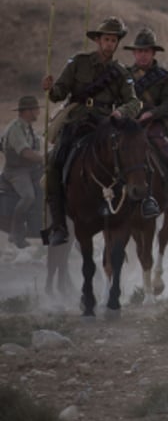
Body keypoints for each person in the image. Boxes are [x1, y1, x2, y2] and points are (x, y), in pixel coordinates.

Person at [40, 16, 143, 246]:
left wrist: (121, 113)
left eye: (113, 40)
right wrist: (50, 88)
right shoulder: (79, 62)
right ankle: (58, 225)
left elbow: (135, 103)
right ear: (98, 40)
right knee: (54, 164)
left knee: (132, 158)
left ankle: (137, 206)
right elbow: (59, 92)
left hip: (104, 125)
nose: (109, 44)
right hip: (76, 122)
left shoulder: (121, 72)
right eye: (106, 39)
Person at [126, 28, 168, 222]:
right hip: (129, 125)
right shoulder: (124, 77)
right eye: (139, 51)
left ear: (153, 53)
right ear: (134, 53)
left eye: (146, 51)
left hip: (157, 125)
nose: (142, 55)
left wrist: (151, 113)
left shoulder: (165, 78)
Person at [2, 96, 44, 248]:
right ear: (27, 111)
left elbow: (38, 147)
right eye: (36, 109)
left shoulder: (28, 128)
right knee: (28, 196)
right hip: (17, 171)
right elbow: (26, 152)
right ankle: (16, 232)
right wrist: (43, 159)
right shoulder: (15, 129)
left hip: (31, 168)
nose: (39, 113)